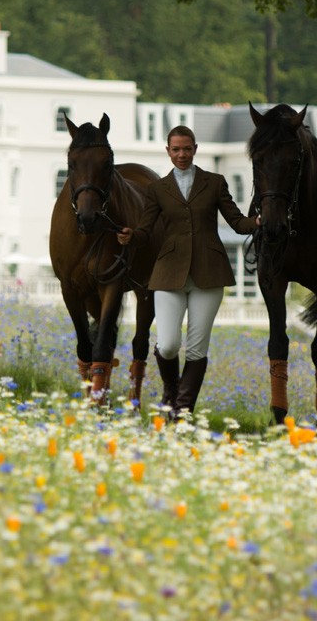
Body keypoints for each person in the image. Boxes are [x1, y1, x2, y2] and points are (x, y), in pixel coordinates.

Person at [118, 125, 259, 418]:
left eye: (186, 148)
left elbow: (236, 222)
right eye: (175, 149)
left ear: (195, 149)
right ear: (168, 152)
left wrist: (258, 222)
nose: (181, 154)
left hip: (209, 273)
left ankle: (181, 410)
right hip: (168, 273)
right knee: (168, 345)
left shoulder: (215, 182)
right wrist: (132, 235)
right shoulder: (157, 189)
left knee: (196, 349)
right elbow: (146, 230)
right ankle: (171, 391)